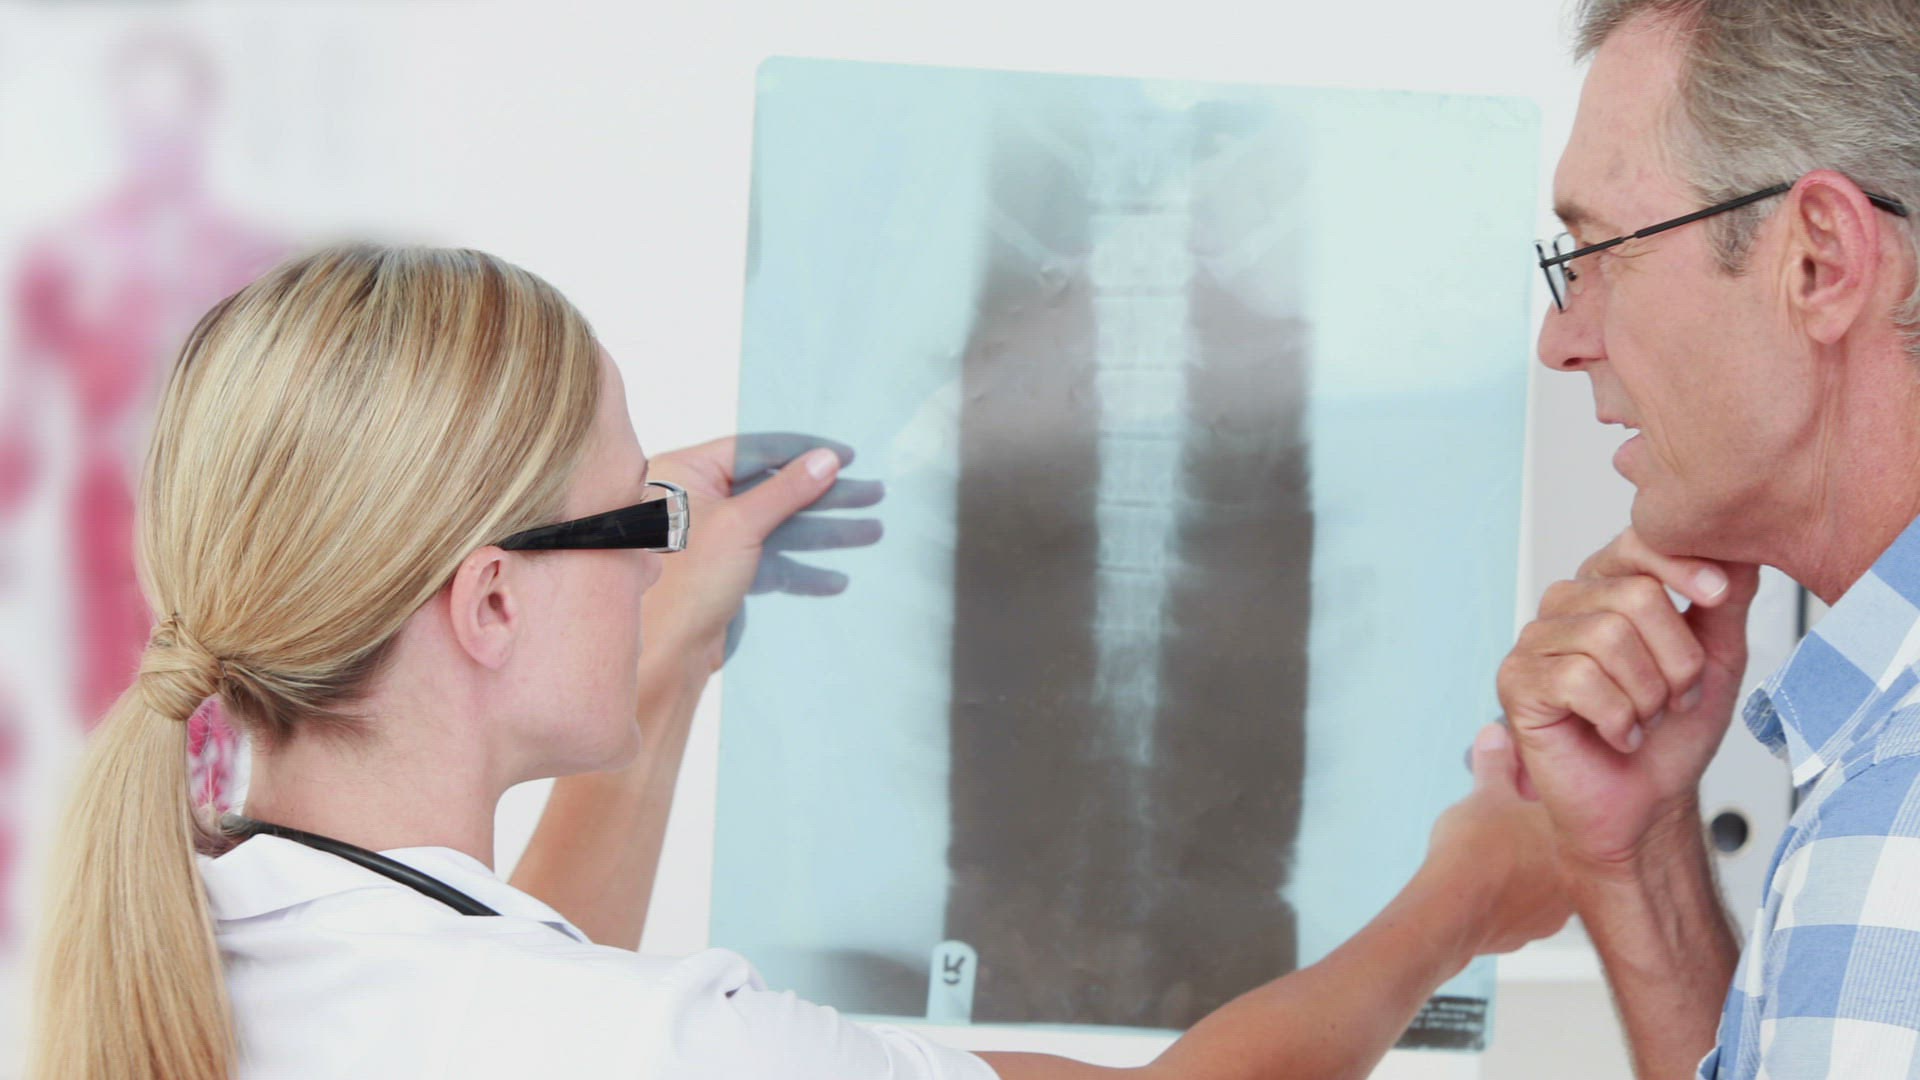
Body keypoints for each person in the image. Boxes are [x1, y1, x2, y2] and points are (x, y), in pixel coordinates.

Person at [28, 245, 1565, 1079]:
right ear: (489, 604)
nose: (664, 547)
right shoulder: (675, 1049)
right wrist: (1462, 901)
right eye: (634, 511)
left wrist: (672, 658)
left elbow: (515, 996)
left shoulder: (180, 952)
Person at [1503, 1, 1920, 1076]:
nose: (1561, 339)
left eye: (1603, 252)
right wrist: (1640, 856)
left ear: (1822, 260)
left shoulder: (1901, 819)